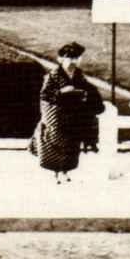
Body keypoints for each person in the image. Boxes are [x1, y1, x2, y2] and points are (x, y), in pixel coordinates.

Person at [29, 41, 105, 183]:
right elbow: (45, 95)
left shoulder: (79, 75)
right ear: (61, 59)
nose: (73, 62)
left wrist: (85, 95)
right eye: (70, 58)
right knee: (55, 141)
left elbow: (87, 89)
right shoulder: (54, 75)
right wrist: (61, 92)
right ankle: (55, 172)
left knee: (71, 142)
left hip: (73, 113)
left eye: (76, 58)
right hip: (56, 114)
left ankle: (64, 170)